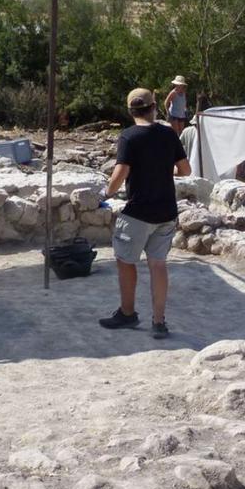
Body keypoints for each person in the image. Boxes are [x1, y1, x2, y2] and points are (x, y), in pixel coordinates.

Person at [98, 88, 190, 339]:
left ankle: (128, 313)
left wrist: (106, 193)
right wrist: (162, 170)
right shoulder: (169, 134)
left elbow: (119, 175)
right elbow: (185, 170)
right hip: (166, 212)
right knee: (158, 265)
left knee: (126, 261)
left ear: (130, 111)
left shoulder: (129, 137)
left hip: (138, 213)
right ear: (154, 107)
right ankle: (159, 322)